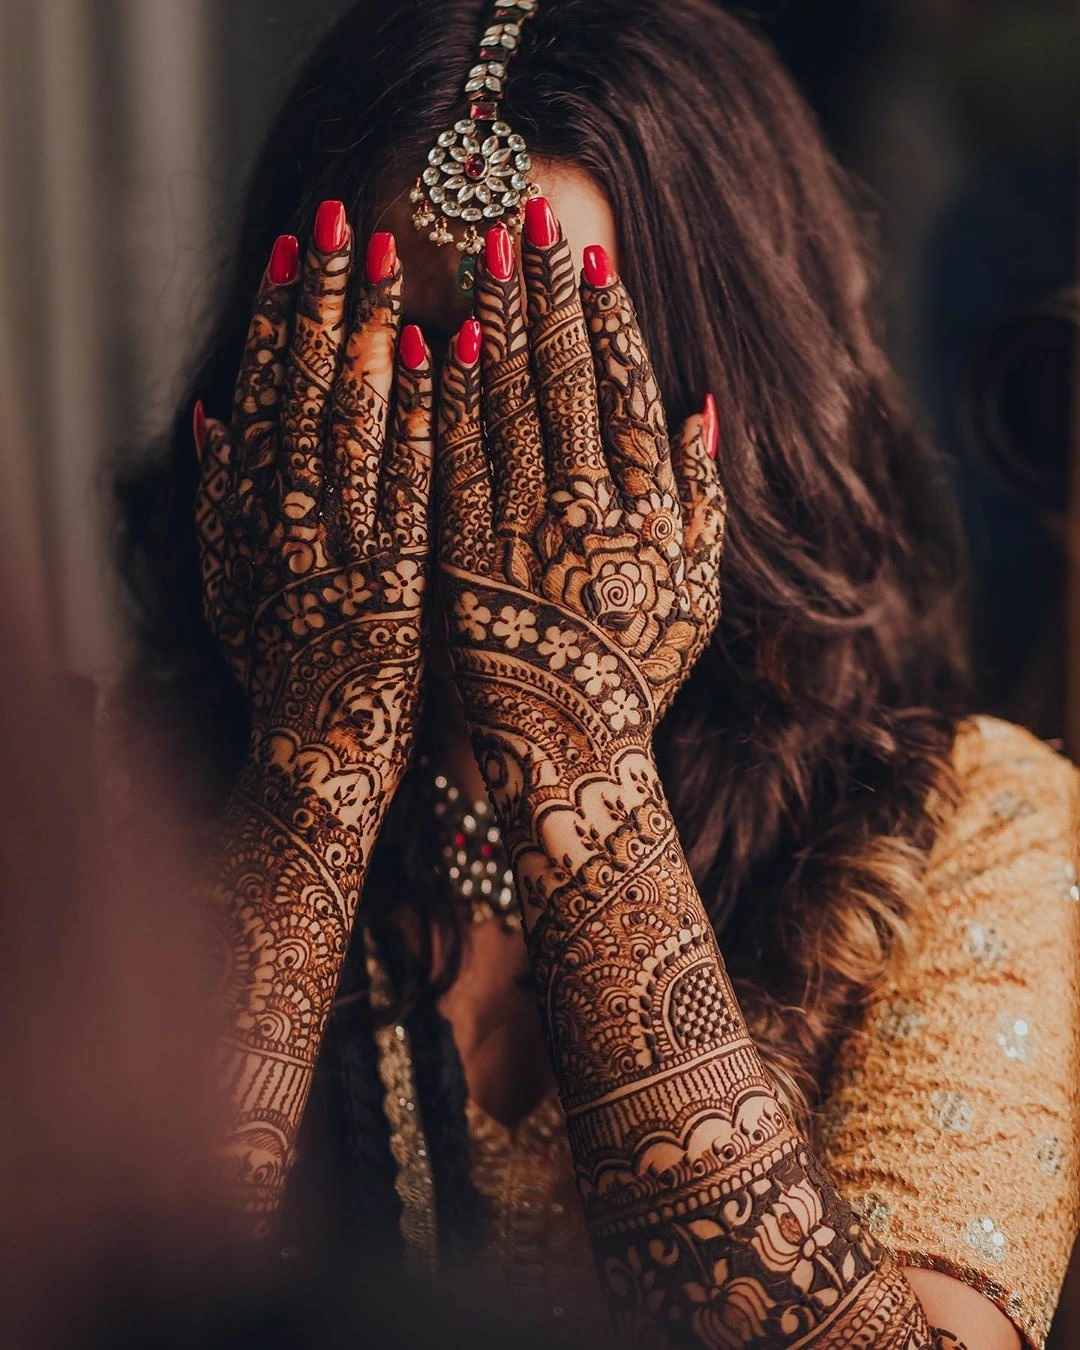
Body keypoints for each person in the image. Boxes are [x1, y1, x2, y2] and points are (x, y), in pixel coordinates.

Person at [114, 2, 1080, 1346]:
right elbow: (89, 1294)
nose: (458, 458)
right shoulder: (113, 806)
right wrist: (315, 770)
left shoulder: (978, 824)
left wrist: (577, 767)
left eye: (542, 371)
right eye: (404, 360)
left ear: (729, 406)